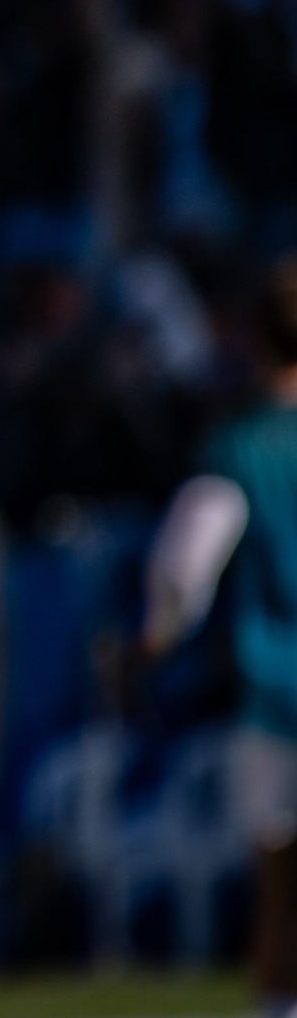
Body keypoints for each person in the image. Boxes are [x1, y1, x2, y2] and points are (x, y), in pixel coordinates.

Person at [143, 258, 297, 1018]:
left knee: (278, 890)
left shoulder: (238, 449)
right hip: (269, 689)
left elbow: (183, 569)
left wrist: (156, 636)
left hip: (271, 690)